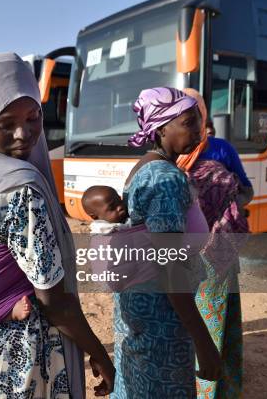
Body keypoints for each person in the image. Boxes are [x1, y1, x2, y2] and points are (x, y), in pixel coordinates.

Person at [0, 52, 115, 398]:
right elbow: (53, 299)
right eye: (5, 123)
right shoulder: (20, 189)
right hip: (17, 367)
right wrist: (99, 352)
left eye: (33, 117)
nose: (23, 133)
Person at [112, 87, 222, 398]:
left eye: (199, 119)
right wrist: (203, 341)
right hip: (162, 315)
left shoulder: (143, 168)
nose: (199, 128)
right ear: (161, 129)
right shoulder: (166, 178)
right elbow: (170, 264)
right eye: (188, 121)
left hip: (139, 306)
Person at [177, 89, 248, 399]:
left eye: (196, 111)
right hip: (184, 252)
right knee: (187, 319)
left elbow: (246, 191)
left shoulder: (221, 149)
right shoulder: (170, 153)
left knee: (219, 320)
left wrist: (222, 205)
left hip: (219, 248)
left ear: (203, 114)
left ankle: (220, 388)